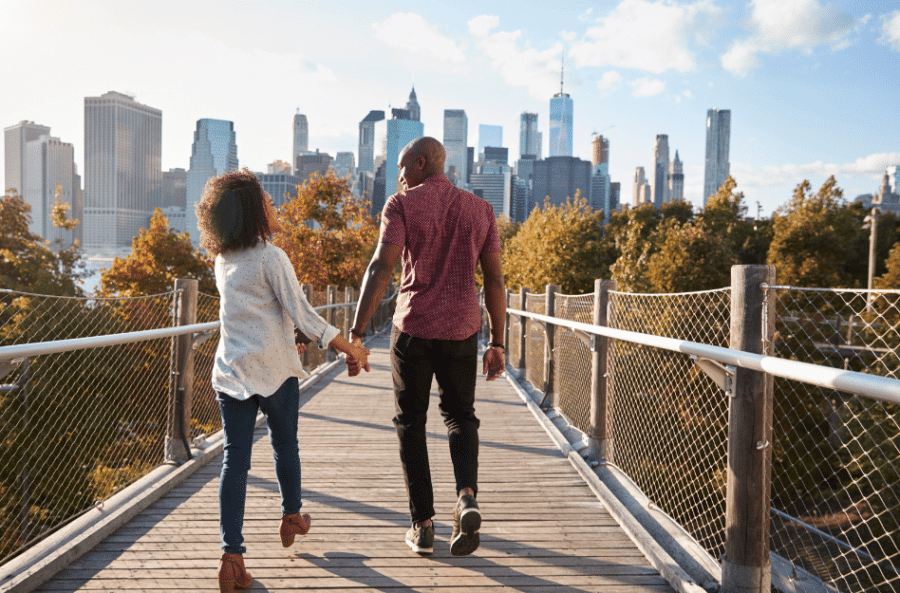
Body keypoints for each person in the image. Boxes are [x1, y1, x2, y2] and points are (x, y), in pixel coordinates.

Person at [195, 170, 370, 592]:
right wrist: (351, 348)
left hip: (232, 373)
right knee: (284, 443)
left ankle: (231, 557)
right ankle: (292, 515)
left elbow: (254, 313)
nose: (274, 208)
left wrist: (288, 334)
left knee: (234, 462)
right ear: (254, 212)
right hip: (274, 372)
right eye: (268, 203)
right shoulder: (270, 257)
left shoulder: (224, 260)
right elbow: (304, 313)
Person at [347, 137, 506, 557]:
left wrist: (357, 333)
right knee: (460, 417)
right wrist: (498, 341)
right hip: (461, 330)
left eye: (401, 167)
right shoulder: (481, 209)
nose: (398, 177)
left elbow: (382, 266)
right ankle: (467, 496)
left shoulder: (401, 205)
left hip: (413, 329)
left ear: (421, 163)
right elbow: (494, 280)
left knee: (410, 423)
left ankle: (422, 524)